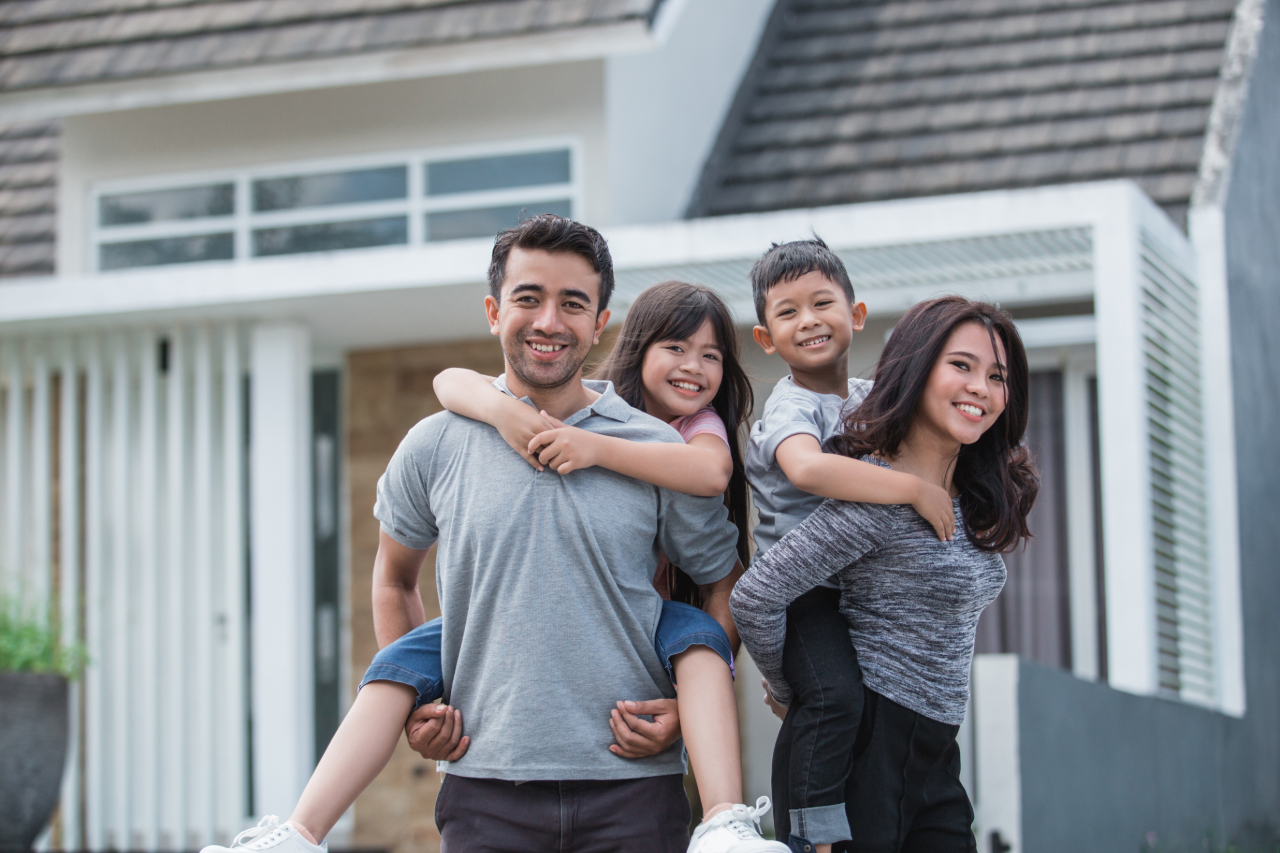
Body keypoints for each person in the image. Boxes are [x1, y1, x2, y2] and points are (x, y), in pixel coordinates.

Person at [200, 215, 759, 853]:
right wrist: (419, 705)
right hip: (485, 792)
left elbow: (722, 585)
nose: (549, 320)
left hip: (631, 791)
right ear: (494, 311)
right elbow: (393, 577)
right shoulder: (434, 443)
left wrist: (688, 712)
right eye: (528, 298)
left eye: (572, 303)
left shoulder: (651, 446)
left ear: (599, 322)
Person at [434, 279, 787, 852]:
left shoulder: (697, 428)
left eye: (711, 356)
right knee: (397, 671)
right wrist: (502, 413)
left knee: (697, 644)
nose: (693, 367)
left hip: (655, 621)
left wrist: (596, 449)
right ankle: (302, 830)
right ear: (638, 345)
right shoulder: (592, 403)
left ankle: (726, 820)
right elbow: (448, 381)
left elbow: (710, 475)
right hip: (524, 692)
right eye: (676, 347)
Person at [731, 296, 1039, 853]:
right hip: (859, 752)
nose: (981, 387)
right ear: (917, 369)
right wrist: (790, 689)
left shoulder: (969, 496)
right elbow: (757, 595)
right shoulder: (877, 493)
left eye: (997, 376)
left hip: (935, 752)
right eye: (961, 366)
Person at [743, 239, 955, 853]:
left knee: (865, 707)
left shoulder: (870, 397)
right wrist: (911, 489)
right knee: (835, 696)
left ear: (855, 315)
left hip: (862, 590)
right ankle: (812, 835)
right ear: (766, 339)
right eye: (788, 313)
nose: (808, 321)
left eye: (821, 303)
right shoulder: (793, 406)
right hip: (806, 593)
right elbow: (807, 471)